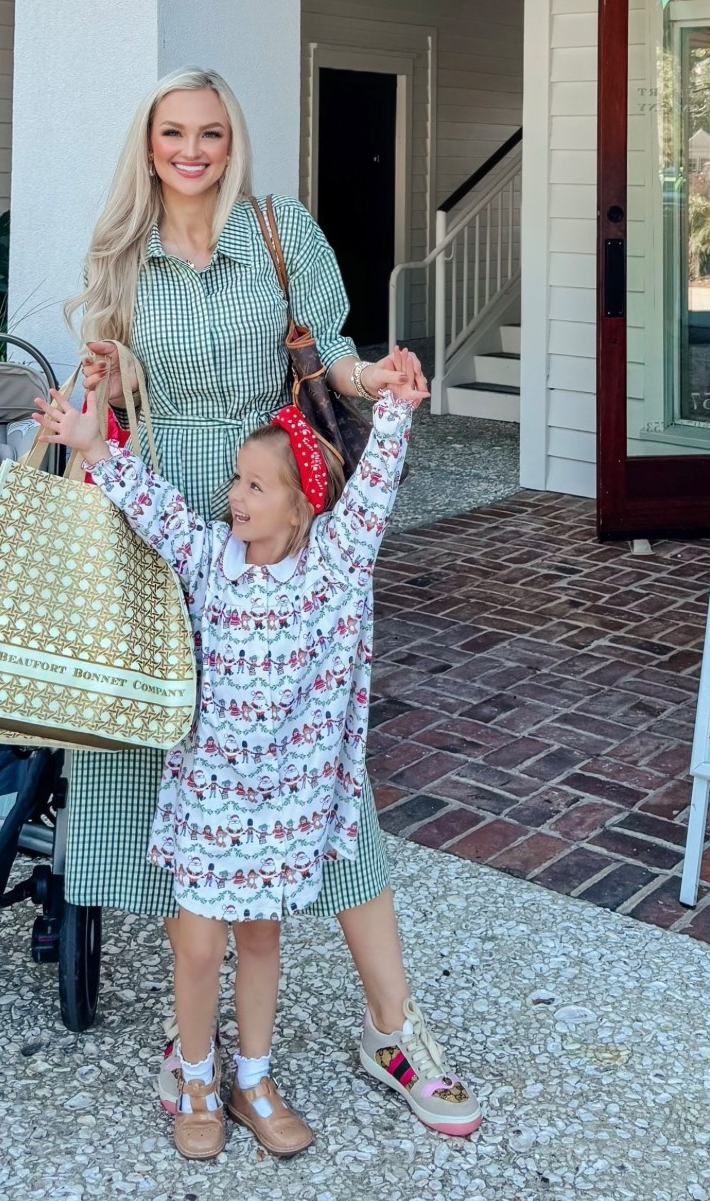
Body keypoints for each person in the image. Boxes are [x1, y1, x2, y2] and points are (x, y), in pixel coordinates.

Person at [64, 65, 481, 1139]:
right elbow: (105, 388)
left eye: (210, 131)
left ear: (231, 138)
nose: (192, 149)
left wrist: (375, 378)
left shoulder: (279, 226)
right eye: (173, 132)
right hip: (162, 527)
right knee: (165, 761)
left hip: (272, 513)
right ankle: (192, 1033)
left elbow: (329, 360)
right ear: (148, 142)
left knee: (321, 764)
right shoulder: (118, 252)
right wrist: (91, 428)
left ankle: (393, 1027)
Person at [36, 347, 436, 1157]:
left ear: (302, 510)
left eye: (256, 486)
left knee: (260, 940)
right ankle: (194, 1075)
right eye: (236, 481)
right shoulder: (209, 563)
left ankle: (252, 1077)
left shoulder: (335, 571)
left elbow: (374, 497)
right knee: (196, 941)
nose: (235, 497)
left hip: (286, 805)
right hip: (208, 800)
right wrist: (95, 444)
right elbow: (152, 508)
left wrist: (392, 409)